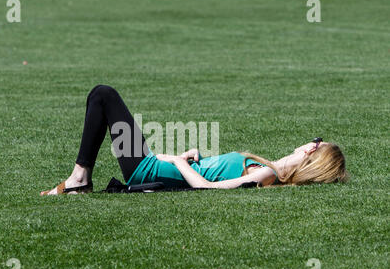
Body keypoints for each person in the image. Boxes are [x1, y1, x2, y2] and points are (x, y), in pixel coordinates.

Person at [41, 85, 348, 195]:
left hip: (148, 170)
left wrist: (175, 161)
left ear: (313, 155)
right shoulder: (268, 168)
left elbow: (207, 188)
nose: (311, 141)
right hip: (155, 165)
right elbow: (209, 175)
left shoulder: (266, 174)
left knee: (103, 95)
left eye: (317, 143)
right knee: (103, 96)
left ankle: (79, 179)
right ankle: (79, 180)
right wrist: (191, 158)